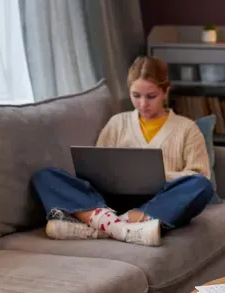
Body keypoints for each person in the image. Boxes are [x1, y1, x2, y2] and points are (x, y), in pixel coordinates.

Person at [30, 56, 214, 247]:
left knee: (201, 186)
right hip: (110, 202)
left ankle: (102, 227)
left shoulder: (187, 129)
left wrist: (159, 176)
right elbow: (96, 170)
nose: (143, 104)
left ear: (165, 91)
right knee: (44, 177)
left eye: (151, 96)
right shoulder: (117, 123)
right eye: (136, 95)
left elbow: (200, 175)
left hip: (160, 201)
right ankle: (122, 228)